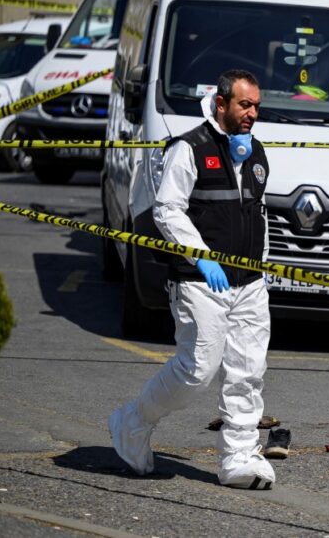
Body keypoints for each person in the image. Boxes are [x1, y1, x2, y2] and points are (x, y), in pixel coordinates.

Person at [108, 70, 276, 489]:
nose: (252, 113)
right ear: (221, 104)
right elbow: (167, 210)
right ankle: (133, 421)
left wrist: (262, 267)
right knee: (197, 370)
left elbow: (260, 214)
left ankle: (239, 457)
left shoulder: (255, 153)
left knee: (247, 370)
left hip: (248, 283)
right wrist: (201, 259)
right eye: (244, 105)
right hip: (201, 281)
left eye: (256, 105)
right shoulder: (189, 148)